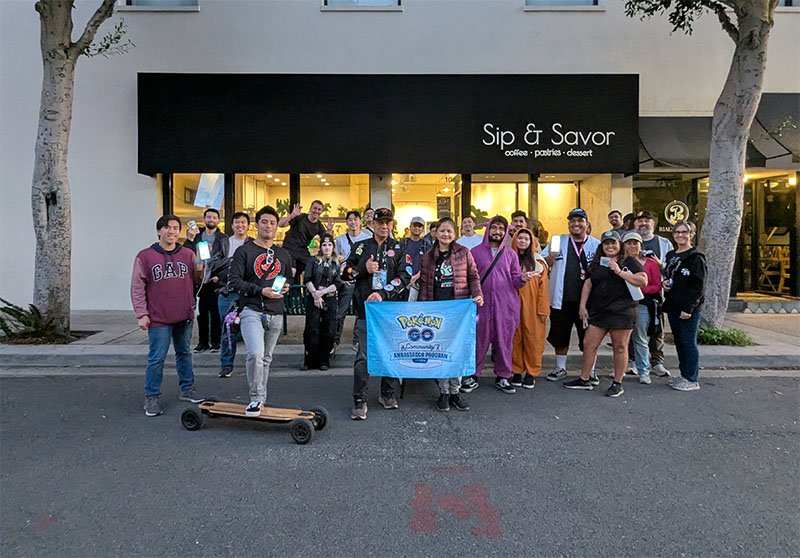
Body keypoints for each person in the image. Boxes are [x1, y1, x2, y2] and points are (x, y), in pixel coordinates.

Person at [131, 215, 204, 417]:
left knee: (184, 353)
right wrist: (141, 314)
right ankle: (151, 396)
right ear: (159, 231)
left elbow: (198, 282)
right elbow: (137, 287)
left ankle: (187, 388)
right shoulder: (145, 256)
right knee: (157, 357)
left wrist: (201, 268)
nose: (171, 231)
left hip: (184, 313)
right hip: (158, 317)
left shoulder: (188, 254)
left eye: (175, 228)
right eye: (167, 228)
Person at [563, 230, 648, 397]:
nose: (610, 246)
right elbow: (588, 283)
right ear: (602, 246)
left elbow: (643, 280)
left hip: (622, 312)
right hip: (599, 312)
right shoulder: (597, 262)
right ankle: (584, 379)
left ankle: (617, 383)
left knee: (620, 347)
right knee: (589, 344)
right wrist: (582, 306)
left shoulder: (629, 261)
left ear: (619, 245)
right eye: (606, 243)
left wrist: (619, 271)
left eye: (613, 243)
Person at [344, 208, 411, 419]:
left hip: (391, 311)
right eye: (379, 222)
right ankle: (359, 399)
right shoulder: (359, 247)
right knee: (363, 356)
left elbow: (405, 277)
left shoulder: (400, 249)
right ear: (372, 224)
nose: (383, 226)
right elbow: (345, 273)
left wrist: (383, 293)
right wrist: (363, 268)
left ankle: (388, 393)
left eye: (387, 222)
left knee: (391, 352)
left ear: (392, 225)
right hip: (366, 311)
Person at [227, 206, 294, 417]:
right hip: (251, 309)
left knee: (266, 358)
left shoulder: (283, 253)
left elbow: (288, 278)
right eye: (264, 222)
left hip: (275, 311)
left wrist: (286, 287)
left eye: (273, 223)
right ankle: (255, 398)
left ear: (277, 227)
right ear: (257, 225)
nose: (268, 226)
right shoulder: (244, 251)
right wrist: (259, 290)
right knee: (255, 354)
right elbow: (234, 281)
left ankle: (261, 400)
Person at [418, 217, 484, 412]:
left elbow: (473, 276)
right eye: (442, 231)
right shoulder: (428, 257)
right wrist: (423, 309)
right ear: (436, 233)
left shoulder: (464, 253)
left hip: (458, 310)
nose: (445, 234)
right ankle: (444, 391)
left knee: (457, 351)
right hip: (436, 312)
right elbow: (424, 285)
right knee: (440, 351)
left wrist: (478, 294)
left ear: (455, 234)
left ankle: (455, 391)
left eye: (449, 231)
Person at [464, 216, 530, 395]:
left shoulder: (510, 254)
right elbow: (470, 277)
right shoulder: (475, 252)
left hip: (506, 305)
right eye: (494, 228)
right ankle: (473, 375)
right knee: (479, 340)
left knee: (504, 341)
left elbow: (516, 280)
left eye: (501, 228)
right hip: (481, 305)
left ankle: (503, 376)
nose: (497, 232)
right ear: (487, 229)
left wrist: (522, 279)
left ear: (506, 231)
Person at [542, 208, 600, 383]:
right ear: (568, 224)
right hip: (562, 299)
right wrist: (551, 257)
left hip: (588, 302)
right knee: (560, 334)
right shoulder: (558, 241)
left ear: (586, 224)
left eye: (580, 221)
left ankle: (591, 370)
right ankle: (560, 368)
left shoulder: (596, 245)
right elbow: (542, 264)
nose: (576, 224)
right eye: (572, 221)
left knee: (589, 337)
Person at [662, 221, 707, 392]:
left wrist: (689, 308)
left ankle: (691, 378)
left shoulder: (696, 256)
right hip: (673, 304)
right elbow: (670, 275)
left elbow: (699, 285)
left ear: (692, 234)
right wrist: (666, 284)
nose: (680, 235)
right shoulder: (671, 255)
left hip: (688, 308)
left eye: (684, 232)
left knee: (688, 342)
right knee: (680, 342)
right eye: (677, 232)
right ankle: (683, 374)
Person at [207, 211, 252, 378]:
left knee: (251, 330)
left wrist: (230, 265)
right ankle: (226, 365)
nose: (240, 225)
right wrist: (234, 261)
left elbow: (251, 269)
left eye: (243, 222)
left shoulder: (252, 244)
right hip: (227, 293)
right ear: (232, 225)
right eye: (237, 223)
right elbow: (214, 264)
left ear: (248, 226)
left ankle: (254, 365)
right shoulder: (224, 242)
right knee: (227, 330)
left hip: (246, 293)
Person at [634, 210, 674, 377]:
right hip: (633, 298)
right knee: (635, 331)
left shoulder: (664, 243)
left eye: (646, 220)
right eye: (640, 221)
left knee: (657, 329)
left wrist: (661, 265)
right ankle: (633, 362)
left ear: (653, 223)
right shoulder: (629, 242)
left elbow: (672, 267)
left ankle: (657, 362)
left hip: (657, 297)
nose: (643, 224)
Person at [510, 227, 550, 389]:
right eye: (520, 238)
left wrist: (543, 310)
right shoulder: (508, 258)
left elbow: (543, 288)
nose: (522, 241)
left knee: (533, 340)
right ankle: (516, 371)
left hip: (532, 308)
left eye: (526, 239)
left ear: (531, 242)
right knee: (514, 339)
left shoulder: (538, 262)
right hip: (512, 306)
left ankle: (531, 372)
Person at [184, 207, 227, 354]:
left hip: (214, 279)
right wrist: (190, 239)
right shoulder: (196, 235)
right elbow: (185, 252)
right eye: (208, 217)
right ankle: (203, 342)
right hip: (199, 279)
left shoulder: (223, 238)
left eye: (214, 218)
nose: (211, 220)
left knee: (215, 313)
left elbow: (227, 260)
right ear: (204, 219)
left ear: (218, 220)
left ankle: (216, 342)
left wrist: (219, 276)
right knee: (201, 313)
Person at [622, 231, 663, 384]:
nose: (632, 246)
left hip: (643, 305)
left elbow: (656, 286)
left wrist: (638, 287)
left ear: (640, 245)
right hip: (623, 305)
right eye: (629, 243)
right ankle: (621, 368)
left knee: (640, 339)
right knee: (621, 340)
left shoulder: (651, 263)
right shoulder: (620, 262)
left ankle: (643, 371)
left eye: (635, 243)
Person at [302, 234, 343, 371]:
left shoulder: (336, 263)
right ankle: (310, 359)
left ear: (333, 246)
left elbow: (338, 282)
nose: (327, 247)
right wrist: (315, 294)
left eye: (329, 245)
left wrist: (322, 293)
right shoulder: (313, 261)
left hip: (329, 297)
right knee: (312, 328)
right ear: (320, 247)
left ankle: (324, 359)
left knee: (329, 329)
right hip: (313, 296)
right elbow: (307, 279)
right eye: (324, 245)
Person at [334, 210, 372, 352]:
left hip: (362, 279)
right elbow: (336, 261)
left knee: (360, 311)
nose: (353, 222)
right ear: (346, 222)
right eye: (350, 219)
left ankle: (357, 341)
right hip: (347, 280)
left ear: (360, 222)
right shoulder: (340, 240)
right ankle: (335, 339)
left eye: (355, 219)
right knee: (341, 311)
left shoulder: (368, 238)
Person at [279, 200, 332, 281]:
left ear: (321, 211)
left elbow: (327, 240)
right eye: (315, 208)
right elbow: (281, 224)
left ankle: (307, 292)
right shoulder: (300, 217)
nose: (316, 211)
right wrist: (292, 215)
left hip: (302, 250)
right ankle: (285, 292)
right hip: (289, 247)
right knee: (291, 271)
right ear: (310, 208)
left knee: (309, 271)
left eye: (319, 209)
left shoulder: (319, 226)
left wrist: (329, 231)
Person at [399, 216, 433, 290]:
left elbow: (430, 264)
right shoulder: (402, 243)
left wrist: (416, 276)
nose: (417, 228)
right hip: (403, 282)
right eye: (414, 225)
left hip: (421, 282)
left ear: (423, 229)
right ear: (410, 226)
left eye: (419, 226)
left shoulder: (427, 245)